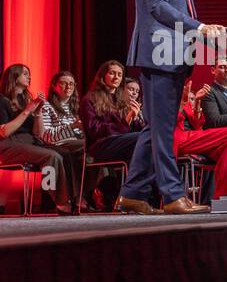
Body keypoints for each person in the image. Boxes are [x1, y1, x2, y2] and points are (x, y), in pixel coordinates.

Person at [120, 0, 224, 214]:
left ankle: (132, 193)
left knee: (155, 129)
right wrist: (199, 27)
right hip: (158, 55)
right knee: (163, 131)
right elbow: (158, 7)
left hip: (173, 55)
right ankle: (172, 196)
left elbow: (177, 11)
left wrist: (207, 38)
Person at [0, 63, 77, 213]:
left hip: (29, 141)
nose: (29, 76)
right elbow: (5, 131)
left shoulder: (25, 101)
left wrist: (38, 113)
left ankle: (71, 198)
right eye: (25, 73)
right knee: (51, 156)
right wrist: (28, 110)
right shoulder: (2, 100)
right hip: (8, 144)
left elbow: (37, 134)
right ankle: (58, 201)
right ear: (14, 77)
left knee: (65, 153)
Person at [81, 60, 147, 210]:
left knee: (146, 141)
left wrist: (137, 118)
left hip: (121, 144)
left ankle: (140, 198)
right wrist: (126, 120)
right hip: (100, 146)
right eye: (112, 73)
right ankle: (132, 196)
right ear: (103, 75)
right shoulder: (89, 99)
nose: (116, 77)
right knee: (139, 140)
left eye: (119, 74)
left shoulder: (122, 100)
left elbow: (132, 129)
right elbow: (95, 130)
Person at [175, 78, 227, 200]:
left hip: (197, 139)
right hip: (180, 138)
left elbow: (197, 125)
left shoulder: (191, 106)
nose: (190, 101)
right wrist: (181, 105)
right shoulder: (173, 99)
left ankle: (223, 196)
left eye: (192, 98)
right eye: (189, 98)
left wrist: (197, 103)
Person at [34, 72, 88, 211]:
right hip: (57, 144)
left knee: (92, 152)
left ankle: (90, 194)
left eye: (71, 83)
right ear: (53, 86)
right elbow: (46, 136)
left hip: (74, 144)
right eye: (63, 83)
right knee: (90, 146)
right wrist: (72, 127)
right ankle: (76, 197)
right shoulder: (46, 106)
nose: (68, 86)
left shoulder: (75, 108)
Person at [199, 58, 227, 129]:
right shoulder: (208, 92)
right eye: (223, 67)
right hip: (223, 137)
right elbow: (214, 121)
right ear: (213, 70)